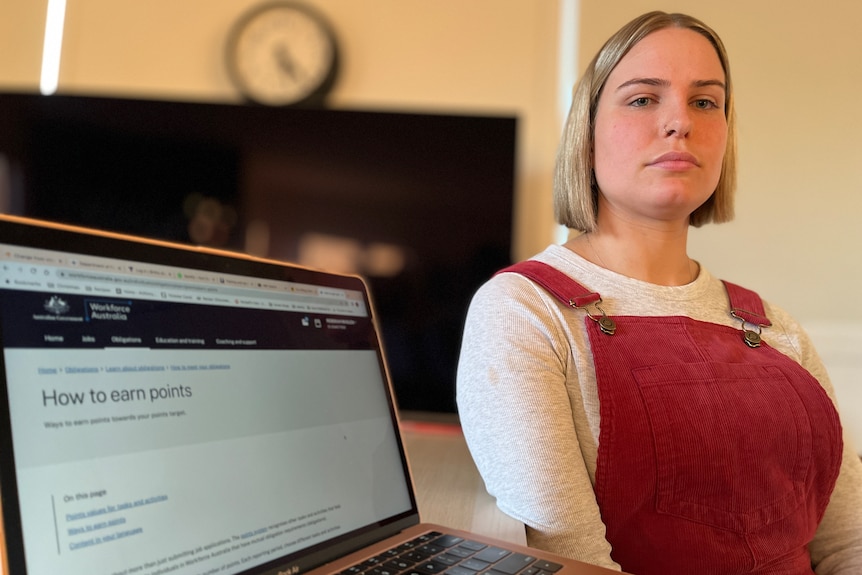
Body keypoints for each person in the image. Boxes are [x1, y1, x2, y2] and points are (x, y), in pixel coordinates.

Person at [456, 11, 862, 575]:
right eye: (643, 99)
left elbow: (847, 543)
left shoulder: (773, 325)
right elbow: (569, 558)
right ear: (587, 135)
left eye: (705, 102)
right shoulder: (524, 313)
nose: (679, 122)